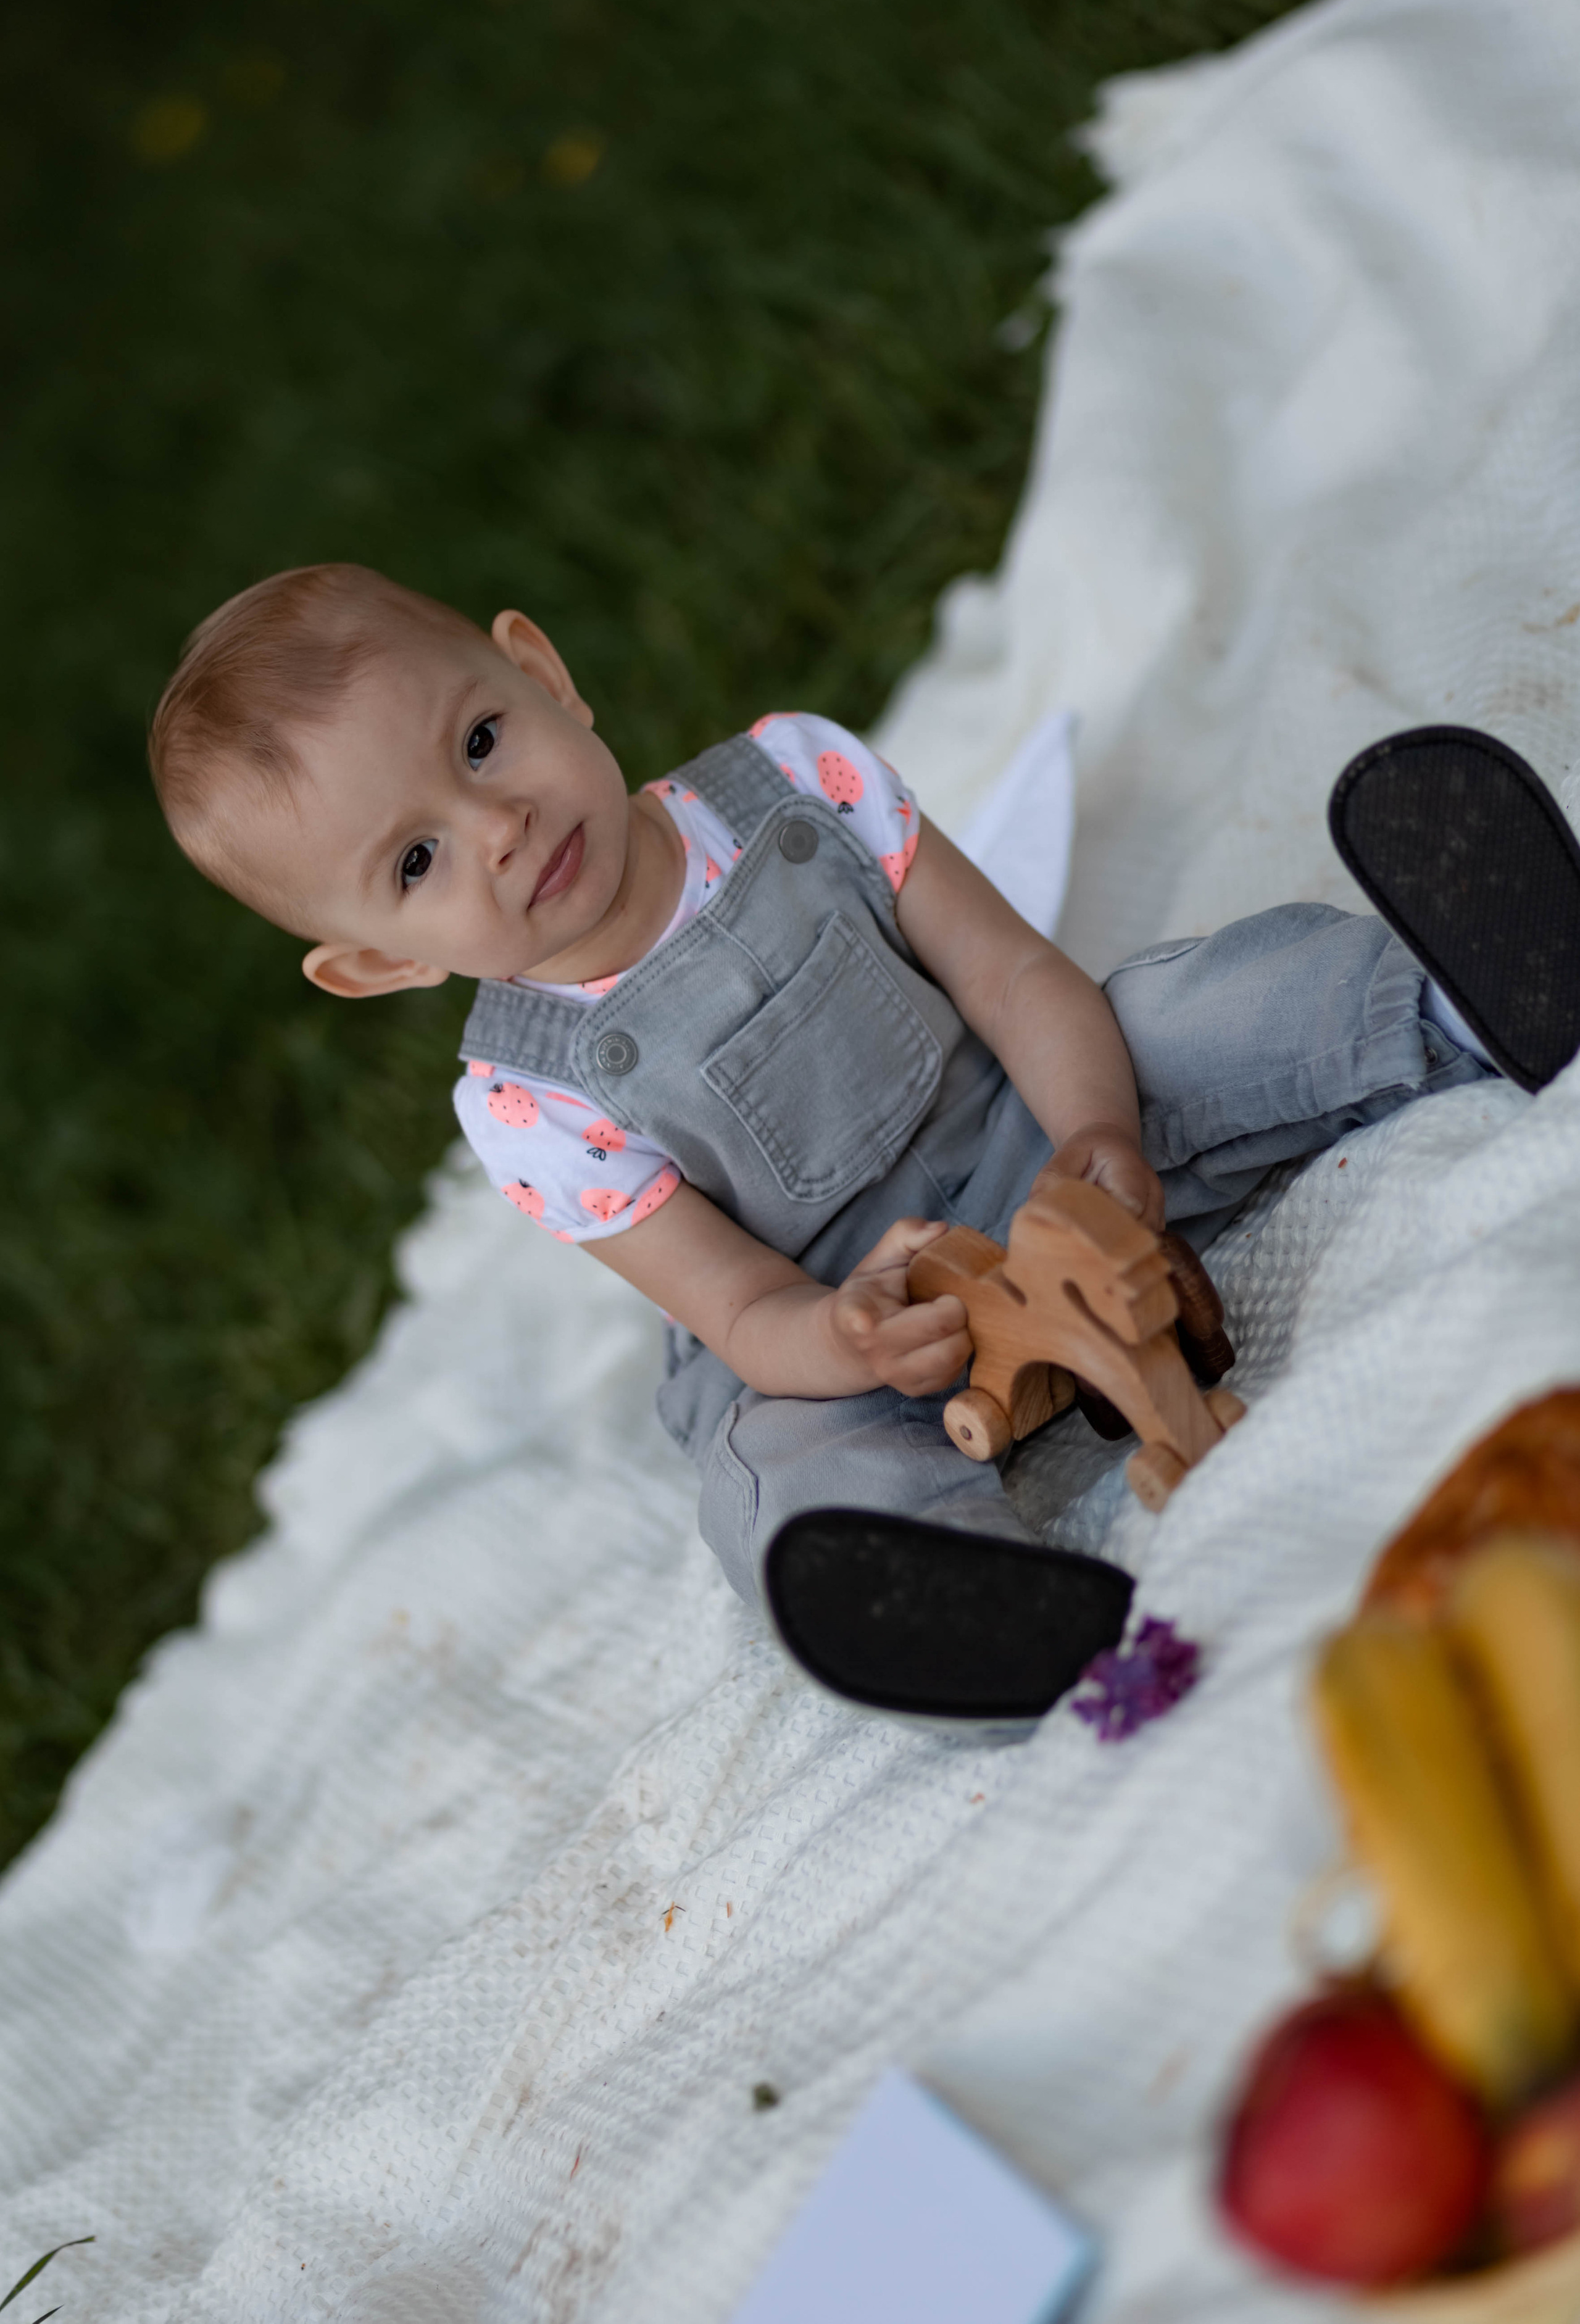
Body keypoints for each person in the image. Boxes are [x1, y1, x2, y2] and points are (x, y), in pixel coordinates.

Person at [148, 563, 1580, 1727]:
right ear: (375, 966)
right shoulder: (527, 1105)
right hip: (847, 1315)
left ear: (541, 669)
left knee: (1188, 1010)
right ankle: (960, 1604)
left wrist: (1092, 1122)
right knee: (769, 1478)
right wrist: (842, 1341)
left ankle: (1459, 987)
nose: (500, 828)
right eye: (416, 864)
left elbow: (1014, 980)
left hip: (1028, 1126)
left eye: (478, 743)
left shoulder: (796, 784)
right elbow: (730, 1305)